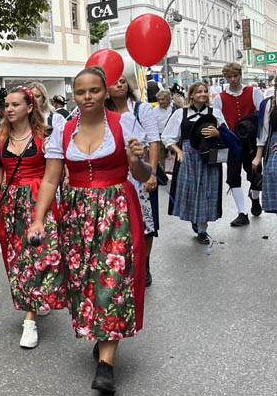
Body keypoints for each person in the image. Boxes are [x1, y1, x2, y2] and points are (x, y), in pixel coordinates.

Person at [29, 66, 149, 393]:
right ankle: (103, 336)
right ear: (74, 94)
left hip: (117, 211)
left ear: (106, 91)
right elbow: (51, 178)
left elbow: (139, 175)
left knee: (112, 280)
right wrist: (39, 218)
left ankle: (106, 366)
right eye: (81, 92)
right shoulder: (63, 129)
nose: (87, 97)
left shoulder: (124, 123)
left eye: (94, 90)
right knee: (85, 282)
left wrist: (135, 159)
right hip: (76, 216)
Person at [0, 87, 64, 349]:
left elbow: (55, 174)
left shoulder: (44, 136)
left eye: (16, 104)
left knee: (42, 256)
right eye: (7, 104)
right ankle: (33, 305)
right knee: (18, 260)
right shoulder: (0, 139)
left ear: (29, 107)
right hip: (12, 204)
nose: (10, 109)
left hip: (39, 201)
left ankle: (30, 319)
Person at [106, 71, 160, 287]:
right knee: (121, 221)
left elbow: (154, 141)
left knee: (148, 223)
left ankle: (144, 264)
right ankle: (125, 263)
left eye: (122, 81)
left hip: (142, 167)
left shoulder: (141, 108)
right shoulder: (103, 113)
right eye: (114, 82)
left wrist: (153, 173)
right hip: (118, 170)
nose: (119, 86)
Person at [162, 82, 228, 244]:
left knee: (207, 192)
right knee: (191, 190)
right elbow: (167, 136)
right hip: (189, 156)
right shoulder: (181, 114)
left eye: (205, 91)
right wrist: (178, 151)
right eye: (199, 92)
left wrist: (218, 133)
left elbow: (227, 135)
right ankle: (195, 220)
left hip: (209, 157)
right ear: (191, 95)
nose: (203, 94)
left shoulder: (215, 113)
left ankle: (202, 230)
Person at [212, 62, 263, 226]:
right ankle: (242, 212)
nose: (233, 79)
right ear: (225, 78)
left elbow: (261, 118)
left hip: (251, 142)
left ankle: (255, 199)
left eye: (235, 76)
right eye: (229, 77)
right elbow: (217, 120)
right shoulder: (219, 98)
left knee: (255, 175)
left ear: (240, 75)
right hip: (232, 142)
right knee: (233, 176)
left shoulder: (253, 92)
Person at [255, 91, 277, 214]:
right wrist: (258, 157)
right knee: (274, 175)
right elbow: (263, 132)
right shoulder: (268, 103)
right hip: (273, 144)